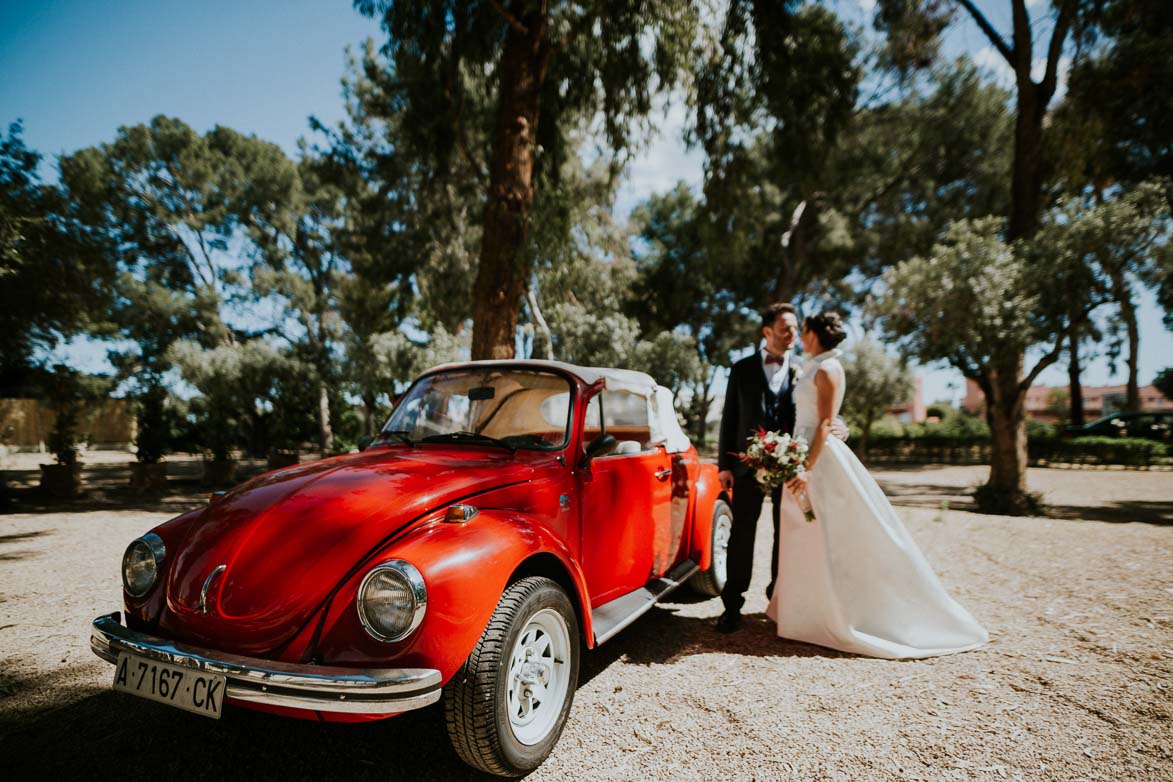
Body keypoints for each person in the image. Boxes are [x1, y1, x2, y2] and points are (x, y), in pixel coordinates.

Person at [765, 311, 988, 658]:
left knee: (828, 535)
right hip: (800, 450)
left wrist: (806, 468)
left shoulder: (828, 369)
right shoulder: (814, 366)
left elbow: (825, 423)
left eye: (803, 330)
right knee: (805, 535)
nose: (800, 336)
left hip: (818, 460)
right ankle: (802, 613)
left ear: (814, 335)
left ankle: (836, 615)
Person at [714, 303, 804, 633]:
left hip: (788, 467)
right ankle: (732, 605)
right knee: (742, 535)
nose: (793, 333)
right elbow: (729, 419)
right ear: (767, 332)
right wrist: (725, 464)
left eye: (796, 328)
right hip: (747, 467)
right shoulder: (741, 369)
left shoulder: (803, 370)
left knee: (787, 535)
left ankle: (776, 600)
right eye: (786, 328)